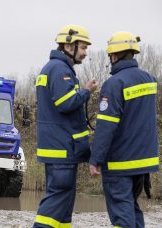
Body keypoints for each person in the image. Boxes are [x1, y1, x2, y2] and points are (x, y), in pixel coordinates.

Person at [89, 31, 159, 228]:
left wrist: (95, 159)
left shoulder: (114, 84)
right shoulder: (150, 80)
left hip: (120, 163)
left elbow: (106, 126)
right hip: (143, 162)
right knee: (131, 208)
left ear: (114, 55)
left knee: (121, 214)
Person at [34, 24, 97, 227]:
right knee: (57, 199)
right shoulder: (60, 70)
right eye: (83, 48)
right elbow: (65, 103)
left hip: (59, 148)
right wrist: (86, 91)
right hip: (61, 148)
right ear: (69, 46)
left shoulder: (54, 68)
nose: (85, 53)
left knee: (64, 204)